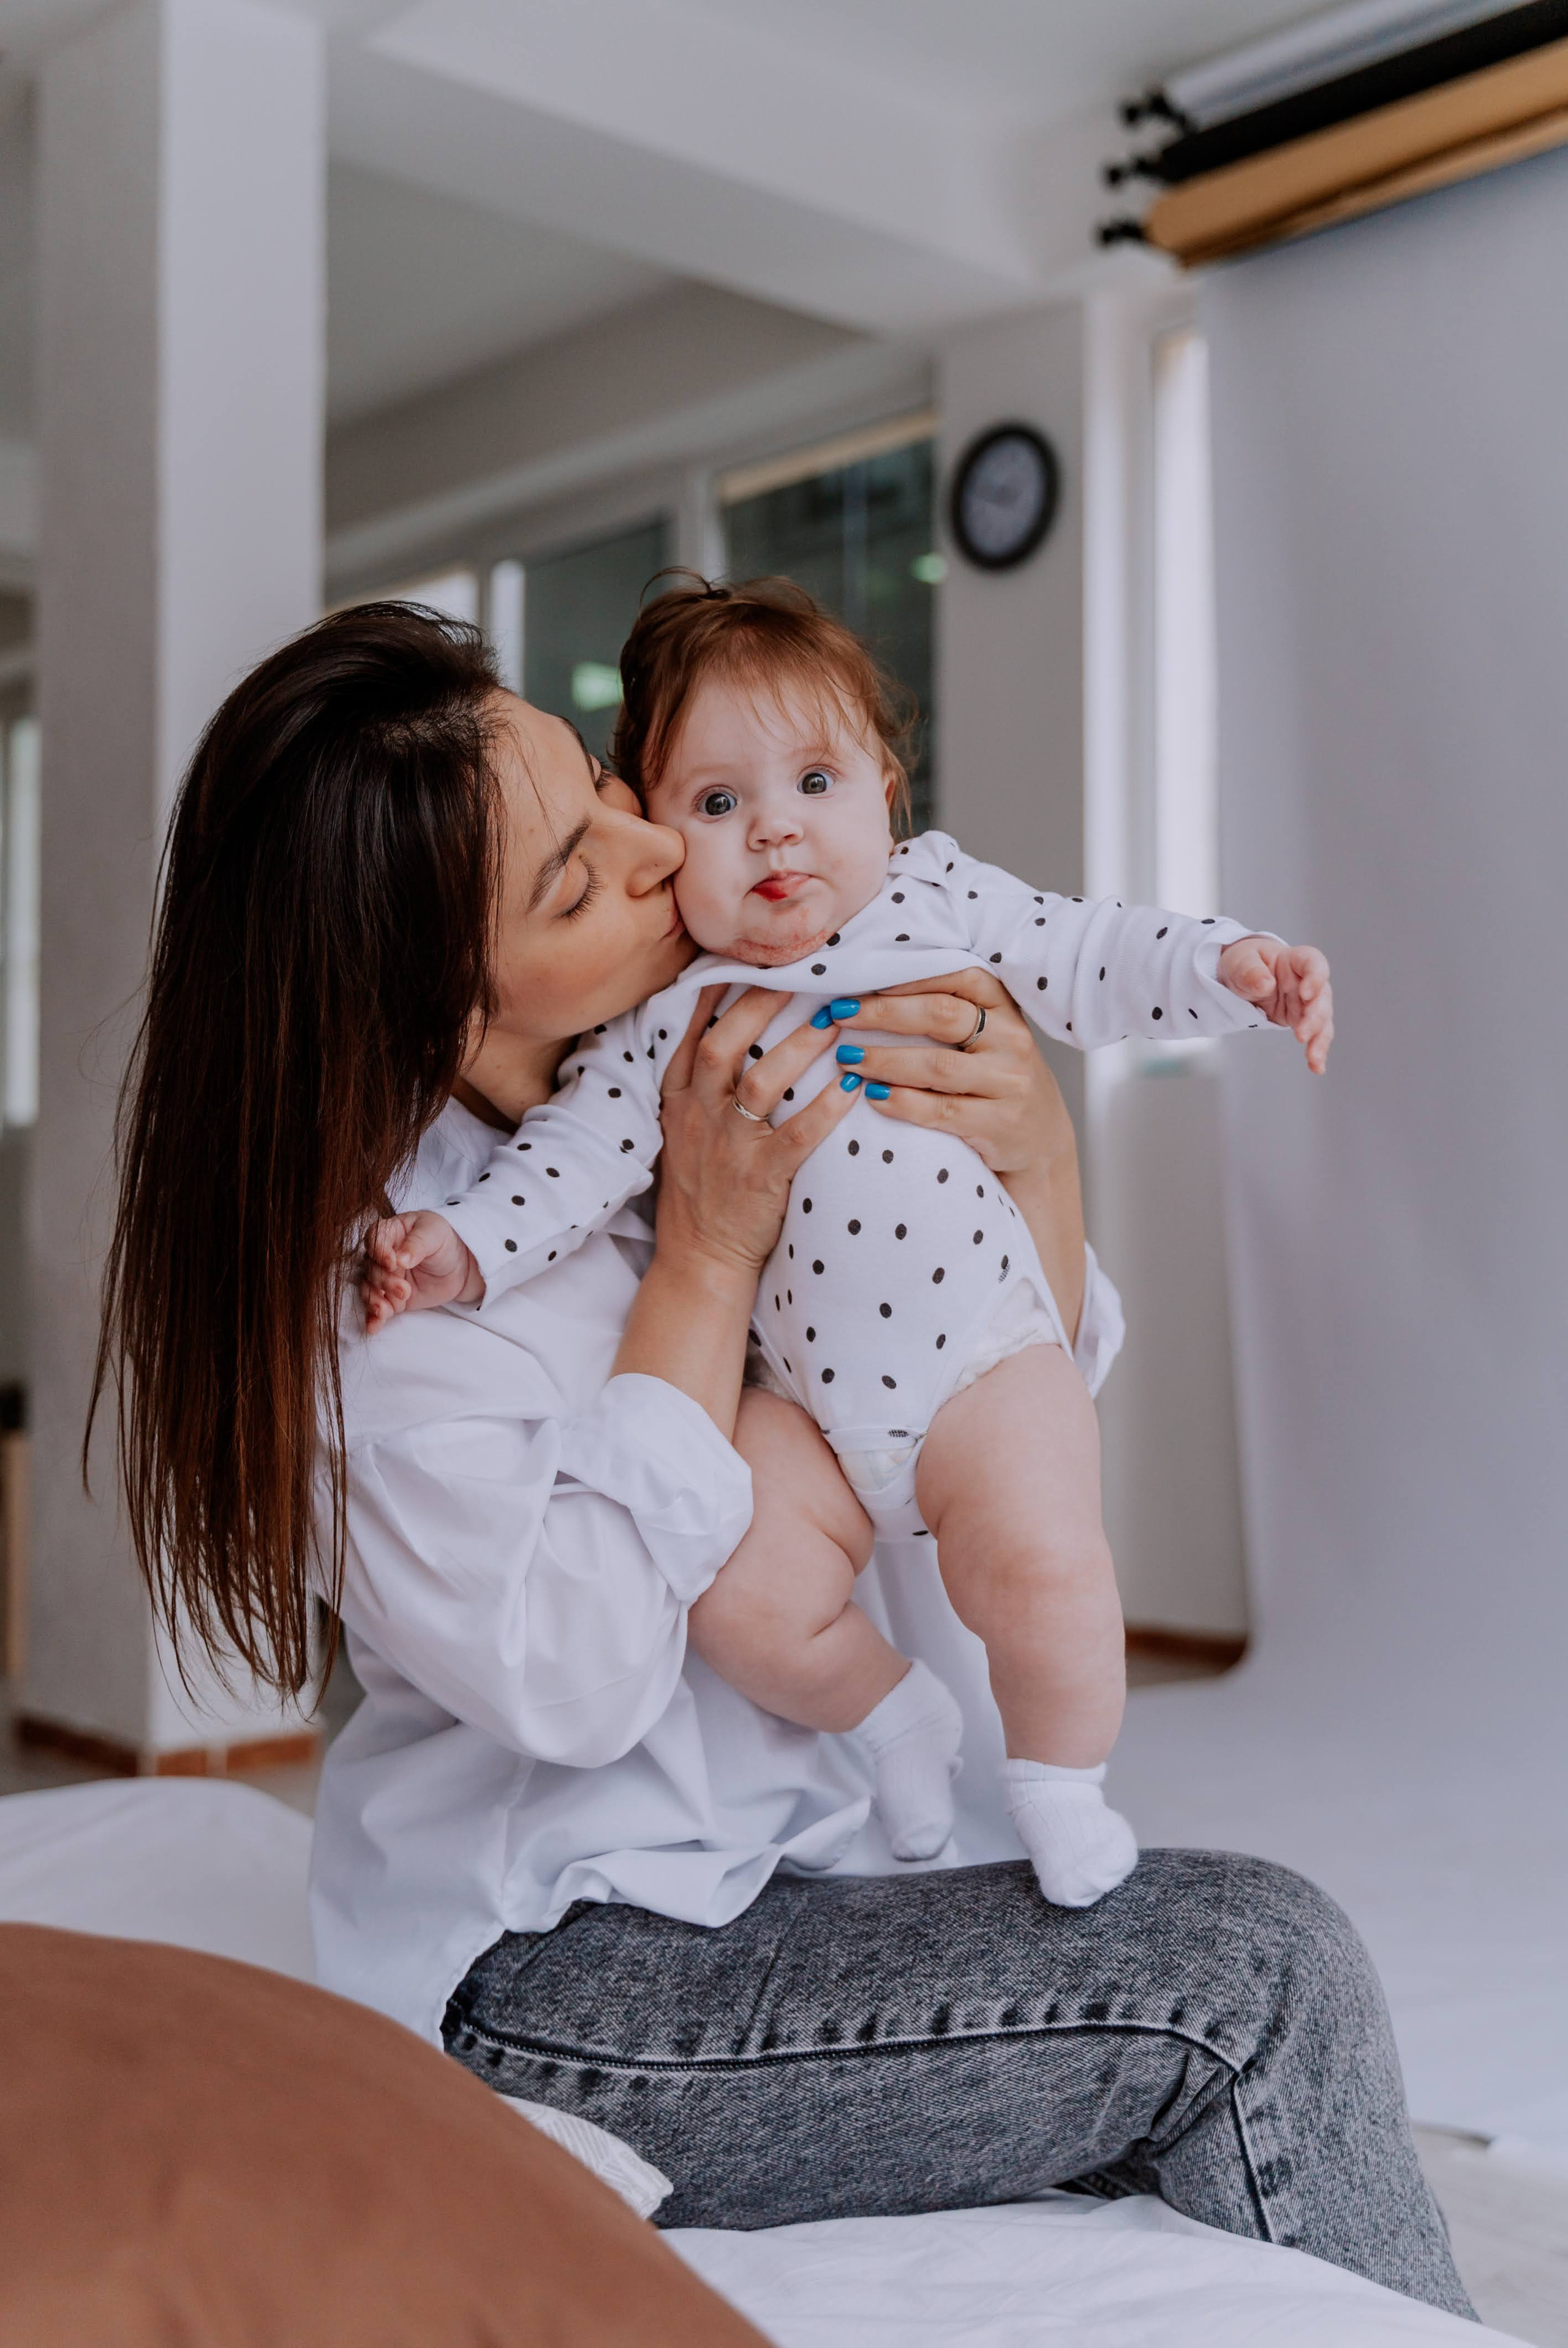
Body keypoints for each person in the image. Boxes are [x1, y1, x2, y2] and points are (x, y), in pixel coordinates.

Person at [92, 604, 1469, 2316]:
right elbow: (582, 1679)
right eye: (581, 883)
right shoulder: (399, 1295)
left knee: (1194, 1975)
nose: (665, 843)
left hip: (801, 1867)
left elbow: (956, 1419)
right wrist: (706, 1260)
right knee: (1265, 1973)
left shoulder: (713, 1038)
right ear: (441, 1002)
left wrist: (1039, 1165)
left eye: (604, 788)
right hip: (571, 1988)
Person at [362, 579, 1334, 1908]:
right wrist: (459, 1250)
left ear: (884, 789)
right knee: (740, 1594)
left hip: (976, 1360)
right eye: (702, 806)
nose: (759, 833)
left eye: (813, 780)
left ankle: (1061, 1787)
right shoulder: (671, 1028)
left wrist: (1225, 975)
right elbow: (565, 1172)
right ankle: (890, 1719)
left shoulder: (936, 905)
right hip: (803, 1427)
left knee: (1049, 1561)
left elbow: (1096, 951)